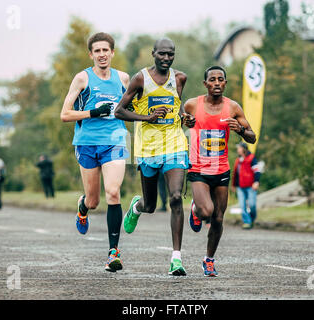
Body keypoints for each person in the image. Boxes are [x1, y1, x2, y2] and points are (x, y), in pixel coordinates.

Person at [115, 38, 193, 276]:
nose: (167, 58)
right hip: (148, 148)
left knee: (177, 197)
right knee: (150, 205)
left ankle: (176, 259)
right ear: (153, 54)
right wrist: (146, 118)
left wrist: (186, 119)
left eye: (171, 54)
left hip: (175, 144)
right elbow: (119, 111)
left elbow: (177, 109)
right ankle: (136, 208)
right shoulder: (140, 79)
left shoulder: (179, 78)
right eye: (162, 54)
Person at [60, 32, 130, 272]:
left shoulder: (123, 78)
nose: (102, 54)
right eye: (97, 51)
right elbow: (64, 114)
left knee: (113, 192)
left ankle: (113, 252)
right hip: (87, 142)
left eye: (105, 50)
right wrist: (93, 112)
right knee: (94, 200)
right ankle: (83, 207)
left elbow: (134, 106)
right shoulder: (82, 79)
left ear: (112, 52)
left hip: (114, 141)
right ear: (91, 54)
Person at [184, 66, 256, 277]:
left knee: (217, 218)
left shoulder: (233, 108)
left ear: (225, 83)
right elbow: (177, 121)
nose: (216, 82)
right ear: (205, 84)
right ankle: (196, 210)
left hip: (221, 170)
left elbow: (252, 137)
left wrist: (240, 130)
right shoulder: (192, 104)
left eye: (220, 79)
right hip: (198, 168)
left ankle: (209, 260)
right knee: (206, 211)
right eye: (212, 79)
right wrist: (184, 121)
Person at [232, 142, 262, 230]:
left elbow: (257, 170)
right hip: (240, 187)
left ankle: (252, 218)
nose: (238, 150)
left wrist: (256, 182)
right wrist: (233, 185)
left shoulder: (252, 158)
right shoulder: (238, 160)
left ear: (243, 149)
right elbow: (235, 174)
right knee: (242, 205)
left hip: (250, 186)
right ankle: (247, 222)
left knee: (252, 205)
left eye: (239, 148)